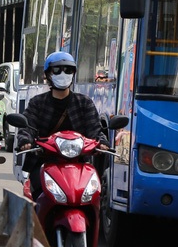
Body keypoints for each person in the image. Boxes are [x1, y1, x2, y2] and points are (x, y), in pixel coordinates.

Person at [16, 51, 110, 200]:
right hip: (44, 161)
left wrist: (102, 143)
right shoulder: (37, 103)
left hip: (79, 165)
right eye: (57, 70)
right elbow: (28, 126)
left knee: (95, 196)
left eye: (68, 70)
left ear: (73, 74)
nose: (63, 74)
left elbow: (95, 130)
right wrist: (25, 140)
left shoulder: (84, 102)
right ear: (47, 74)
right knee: (36, 195)